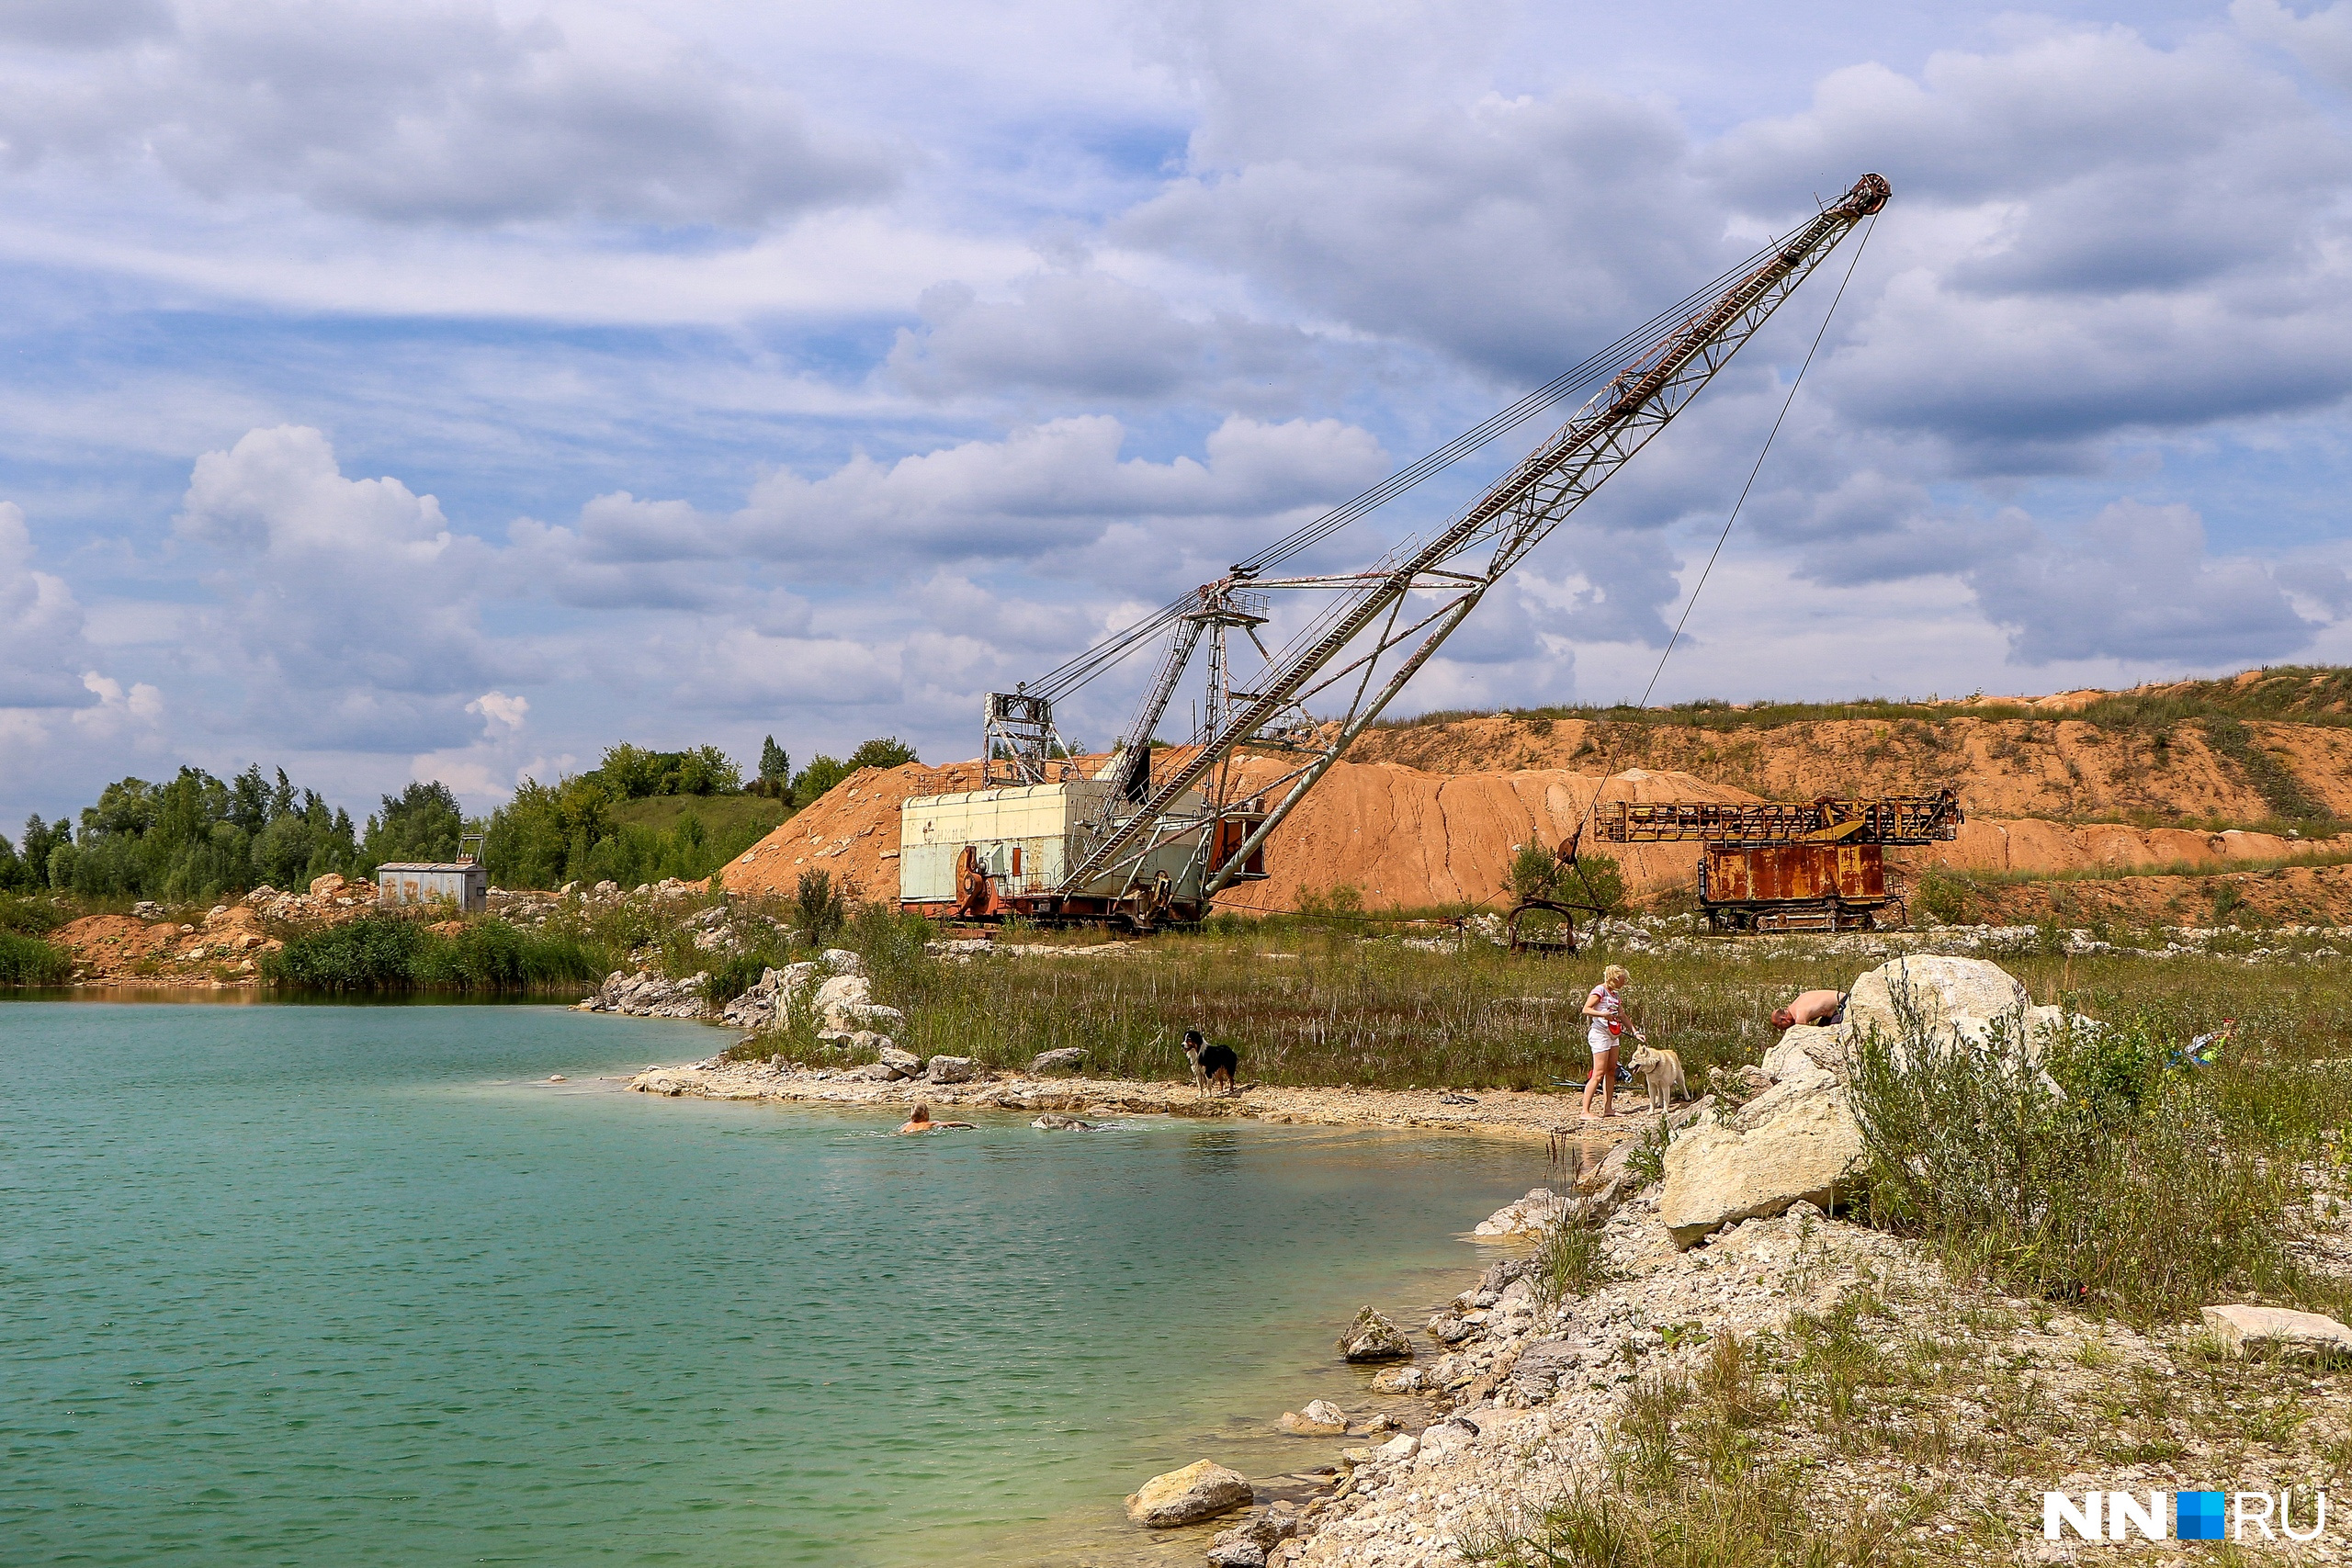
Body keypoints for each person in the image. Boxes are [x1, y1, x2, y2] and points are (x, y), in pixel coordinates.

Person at [1581, 964, 1639, 1120]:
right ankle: (1585, 1111)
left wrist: (1635, 1031)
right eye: (1623, 979)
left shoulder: (1615, 995)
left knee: (1611, 1071)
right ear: (1615, 978)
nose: (1624, 982)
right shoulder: (1600, 990)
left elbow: (1622, 1016)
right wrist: (1602, 1014)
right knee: (1598, 1073)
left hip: (1613, 1035)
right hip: (1600, 1035)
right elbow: (1586, 1009)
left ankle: (1608, 1108)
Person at [1770, 989, 1847, 1032]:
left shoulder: (1799, 1016)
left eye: (1780, 1026)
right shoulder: (1796, 1003)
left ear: (1785, 1019)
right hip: (1835, 1006)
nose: (1783, 1029)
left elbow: (1804, 1037)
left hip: (1842, 1005)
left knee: (1832, 1035)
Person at [897, 1102, 975, 1134]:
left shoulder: (907, 1125)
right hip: (923, 1135)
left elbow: (898, 1134)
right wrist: (969, 1124)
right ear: (924, 1114)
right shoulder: (931, 1124)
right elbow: (952, 1124)